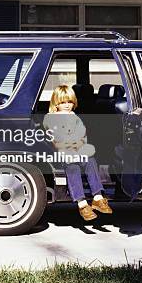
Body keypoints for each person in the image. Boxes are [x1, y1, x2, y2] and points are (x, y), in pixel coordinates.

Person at [43, 84, 113, 222]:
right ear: (56, 104)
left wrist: (78, 143)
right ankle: (82, 203)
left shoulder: (74, 116)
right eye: (63, 102)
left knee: (90, 161)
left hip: (79, 150)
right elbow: (55, 136)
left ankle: (98, 197)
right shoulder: (50, 117)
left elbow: (82, 133)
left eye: (70, 102)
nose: (67, 105)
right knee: (73, 168)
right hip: (62, 152)